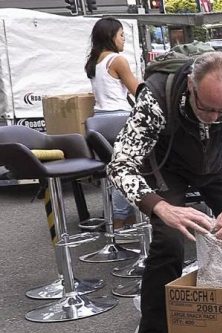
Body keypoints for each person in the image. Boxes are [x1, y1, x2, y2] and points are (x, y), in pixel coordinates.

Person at [107, 51, 222, 333]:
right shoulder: (156, 98)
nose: (212, 116)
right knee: (169, 243)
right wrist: (160, 207)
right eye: (206, 107)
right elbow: (119, 166)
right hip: (165, 166)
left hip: (213, 162)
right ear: (191, 85)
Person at [86, 17, 141, 229]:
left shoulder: (94, 61)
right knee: (128, 169)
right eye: (121, 35)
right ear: (111, 36)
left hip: (99, 120)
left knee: (113, 171)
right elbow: (137, 90)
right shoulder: (117, 60)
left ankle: (121, 218)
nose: (124, 40)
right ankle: (120, 220)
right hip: (119, 119)